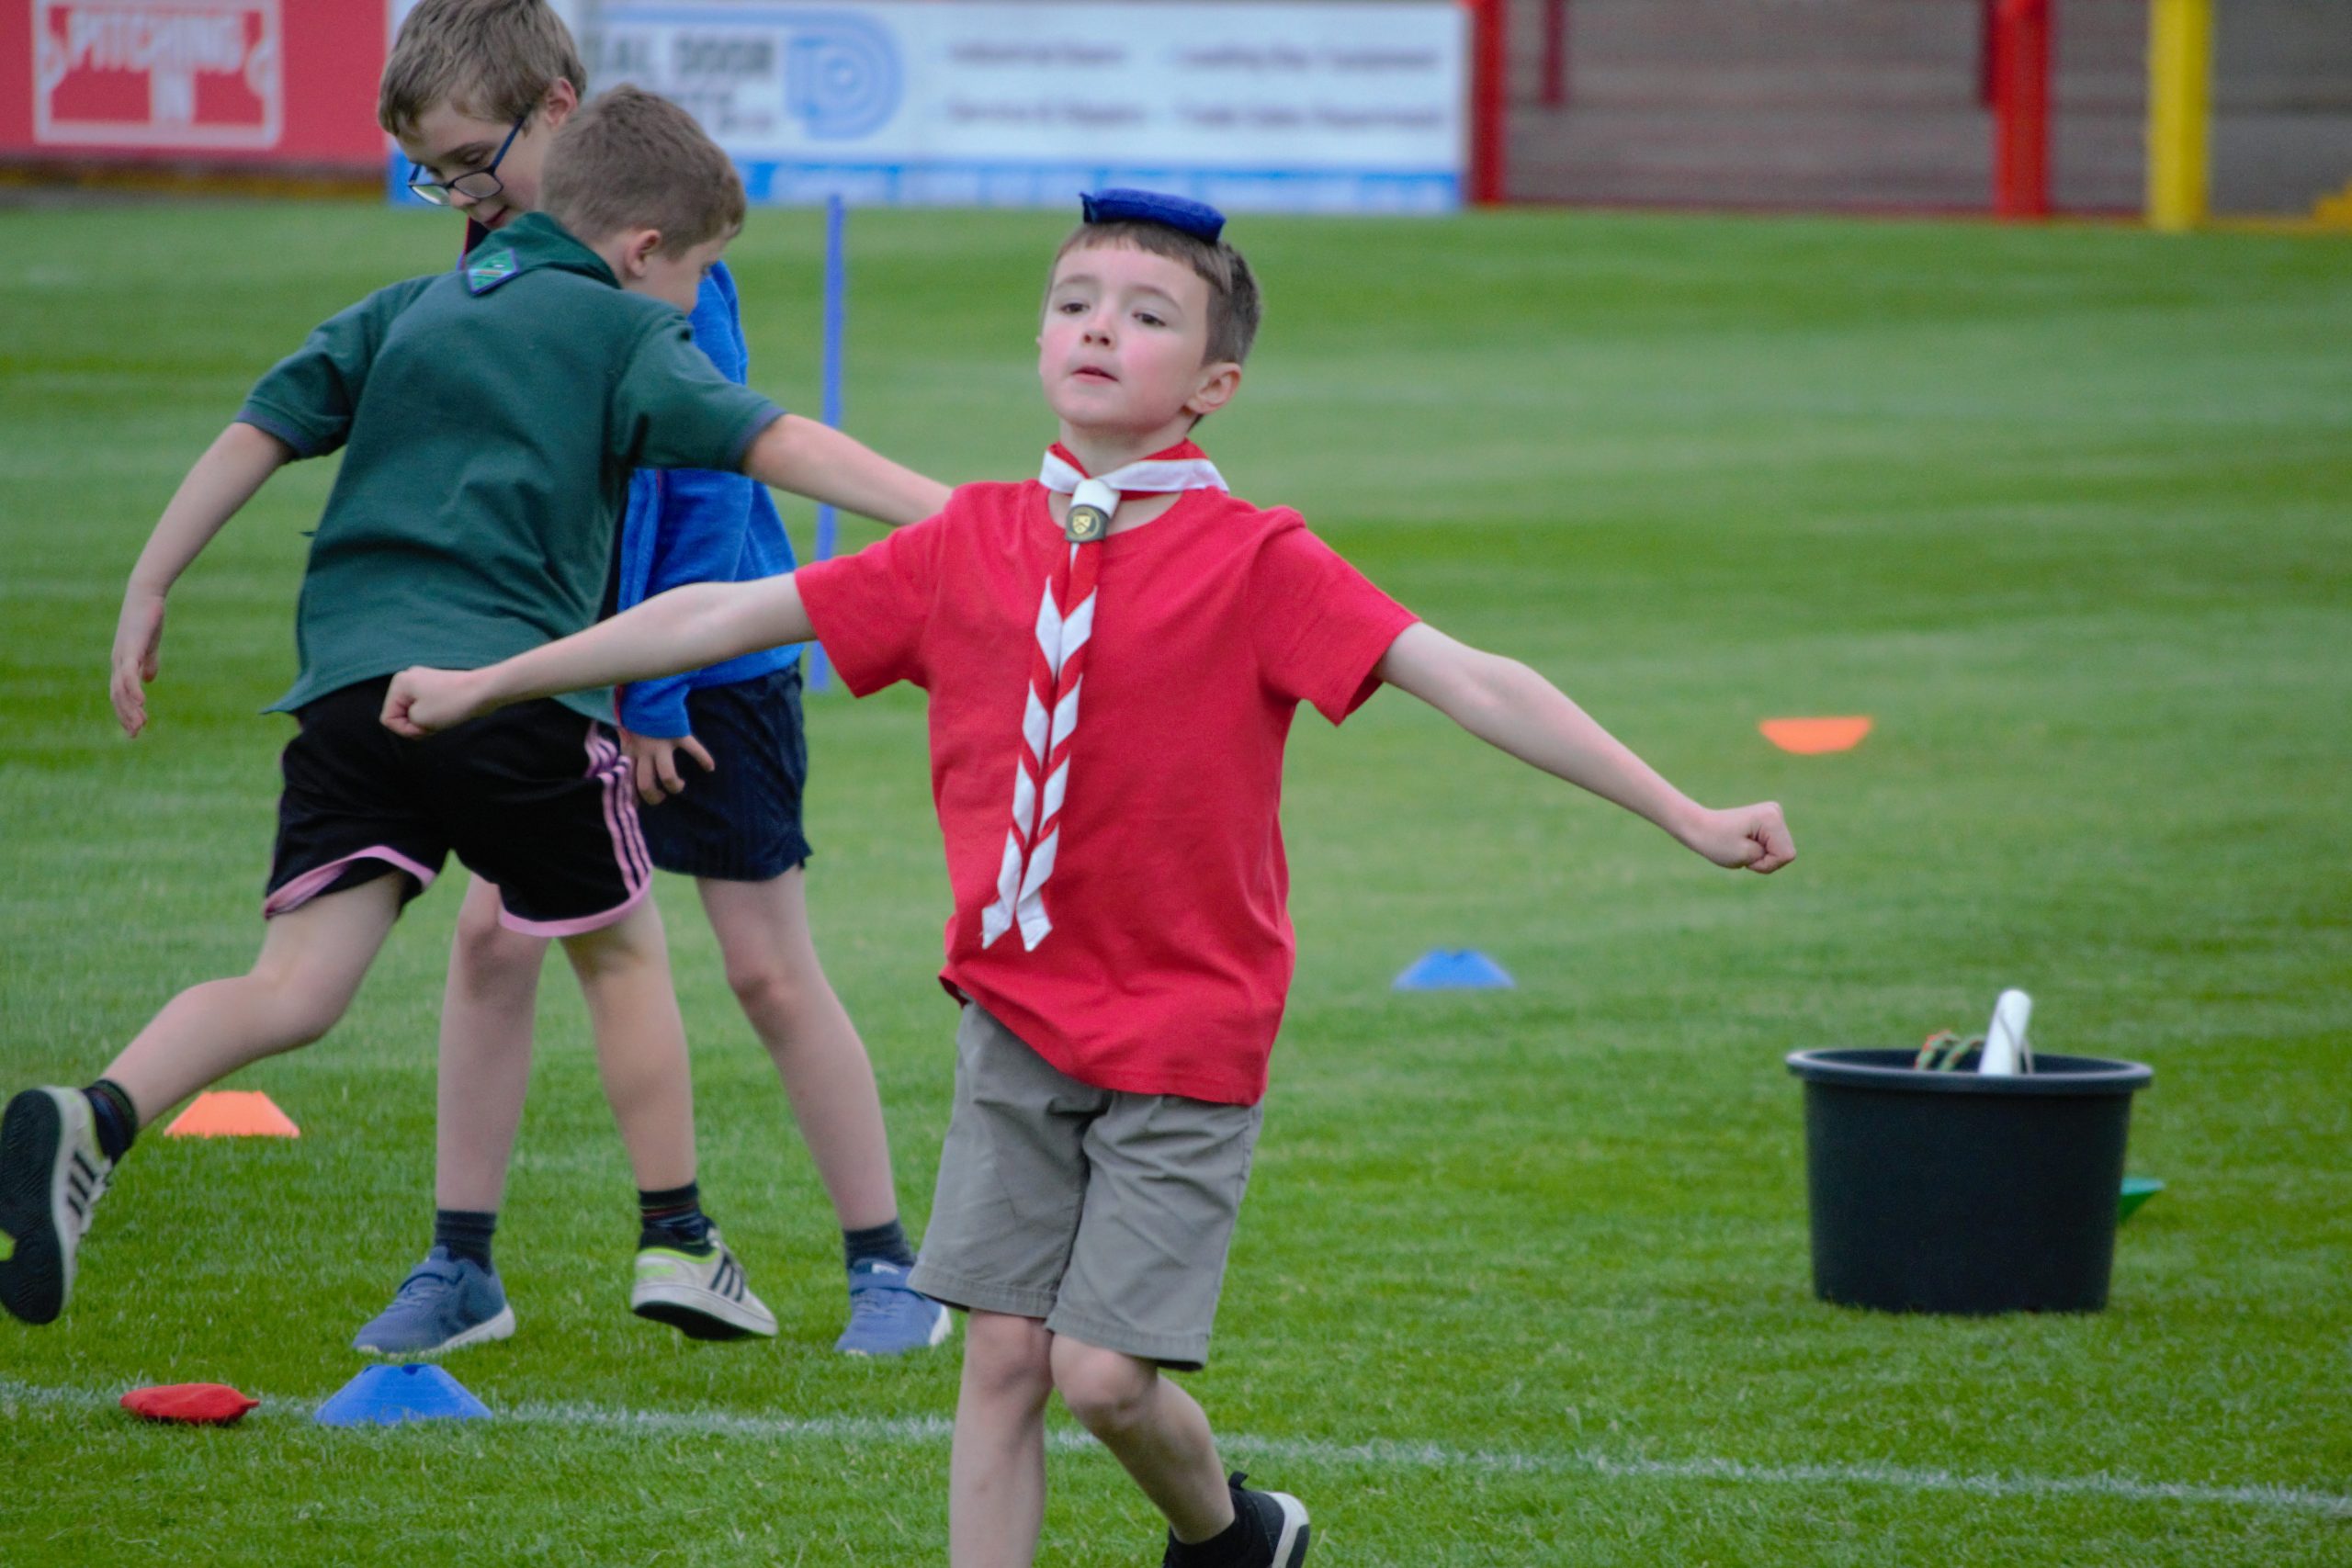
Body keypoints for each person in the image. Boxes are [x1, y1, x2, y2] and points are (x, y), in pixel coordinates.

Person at [375, 188, 1797, 1568]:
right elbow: (723, 611)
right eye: (1074, 304)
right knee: (1001, 1361)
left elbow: (1471, 679)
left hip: (1187, 1027)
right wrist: (500, 681)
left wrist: (1682, 809)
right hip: (1017, 1017)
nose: (1098, 330)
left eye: (1147, 315)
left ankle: (1229, 1534)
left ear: (1214, 385)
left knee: (1104, 1379)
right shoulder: (972, 542)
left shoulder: (1259, 560)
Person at [0, 86, 949, 1346]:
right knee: (619, 945)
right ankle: (678, 1238)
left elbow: (260, 427)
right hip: (512, 692)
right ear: (644, 252)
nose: (694, 314)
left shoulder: (406, 309)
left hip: (346, 697)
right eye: (698, 276)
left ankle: (102, 1112)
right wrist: (969, 515)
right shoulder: (629, 334)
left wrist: (150, 579)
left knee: (293, 986)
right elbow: (778, 445)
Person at [356, 0, 947, 1361]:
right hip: (563, 664)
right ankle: (459, 1266)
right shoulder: (496, 256)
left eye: (467, 160)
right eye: (434, 172)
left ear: (552, 117)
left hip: (704, 669)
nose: (455, 191)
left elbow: (697, 475)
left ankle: (890, 1269)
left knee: (766, 971)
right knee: (495, 940)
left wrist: (657, 701)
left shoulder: (660, 254)